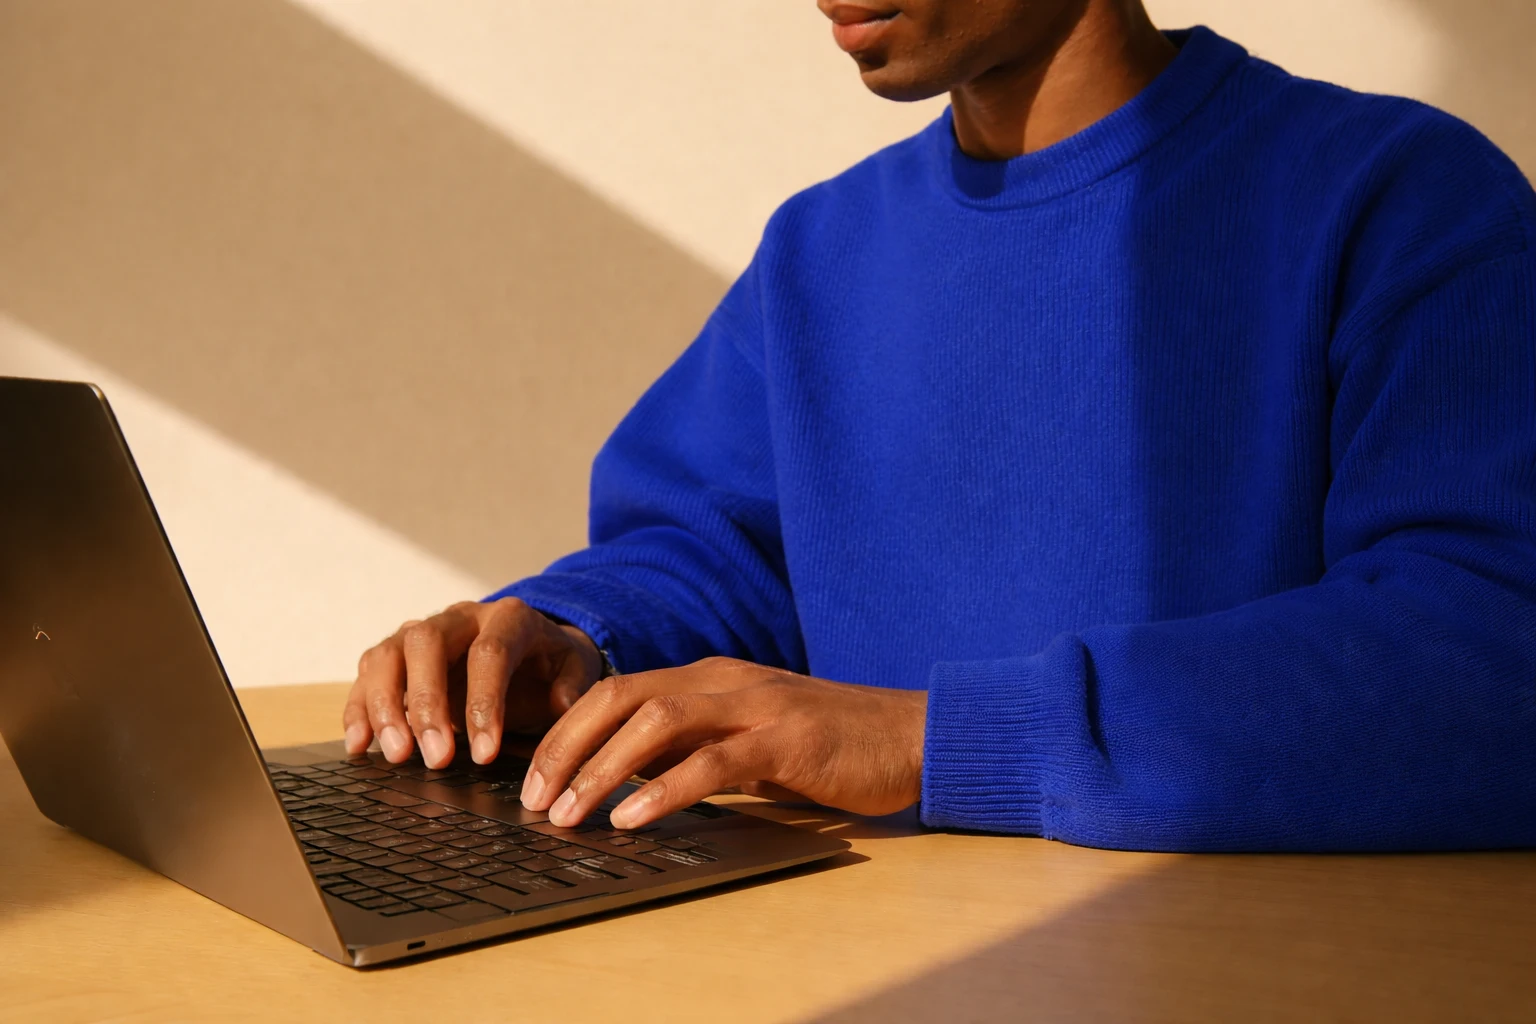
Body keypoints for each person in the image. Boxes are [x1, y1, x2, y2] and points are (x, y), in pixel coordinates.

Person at [341, 0, 1536, 851]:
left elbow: (1492, 653)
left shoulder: (1403, 199)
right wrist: (574, 642)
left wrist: (935, 738)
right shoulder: (820, 251)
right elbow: (724, 553)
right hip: (884, 967)